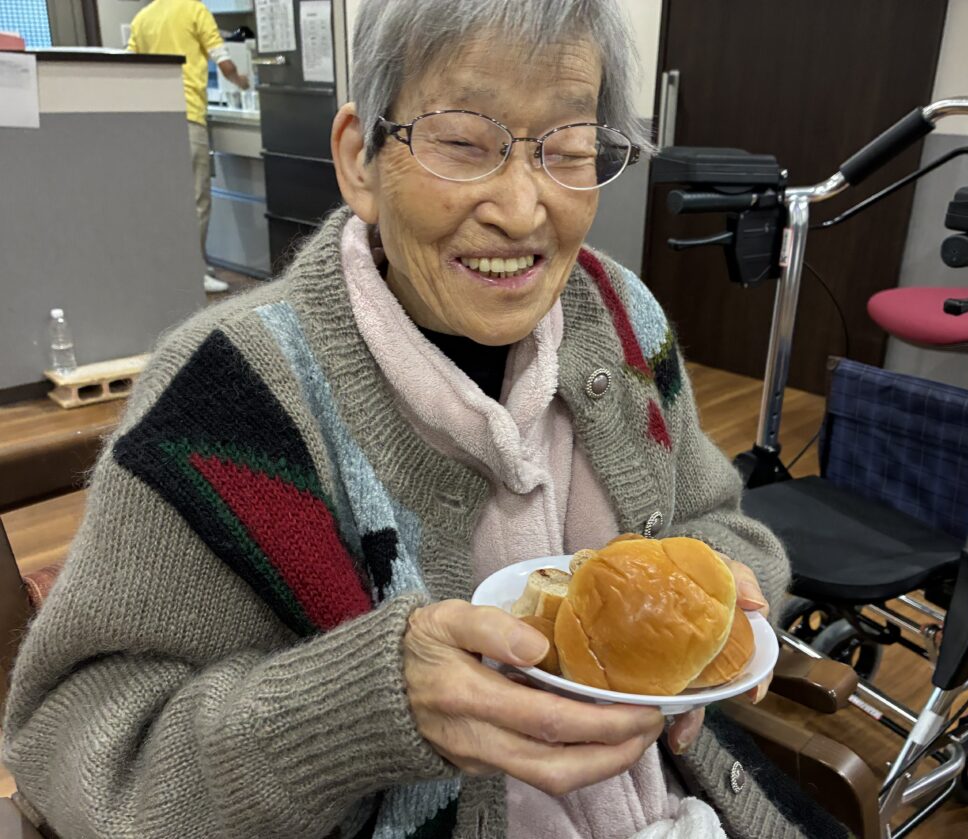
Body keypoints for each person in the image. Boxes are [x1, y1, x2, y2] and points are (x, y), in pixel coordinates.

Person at [3, 2, 853, 837]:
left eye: (568, 149)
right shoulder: (231, 397)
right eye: (461, 141)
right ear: (359, 160)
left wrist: (717, 600)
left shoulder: (623, 321)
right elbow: (74, 747)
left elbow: (717, 527)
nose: (523, 210)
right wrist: (365, 708)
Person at [127, 0, 250, 294]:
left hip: (154, 122)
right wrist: (242, 81)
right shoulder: (195, 10)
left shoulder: (142, 18)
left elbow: (129, 64)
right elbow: (223, 60)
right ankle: (192, 271)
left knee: (167, 201)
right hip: (188, 115)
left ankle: (177, 266)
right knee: (197, 201)